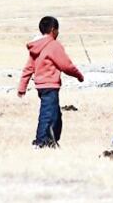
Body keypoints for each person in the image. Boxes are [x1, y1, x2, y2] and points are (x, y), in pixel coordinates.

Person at [17, 16, 85, 148]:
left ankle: (51, 140)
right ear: (53, 30)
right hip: (50, 86)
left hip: (41, 86)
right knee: (48, 114)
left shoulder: (36, 47)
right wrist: (79, 75)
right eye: (58, 31)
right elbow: (66, 65)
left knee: (55, 115)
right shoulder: (53, 45)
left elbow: (28, 68)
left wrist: (22, 87)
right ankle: (40, 142)